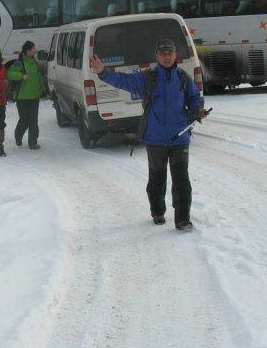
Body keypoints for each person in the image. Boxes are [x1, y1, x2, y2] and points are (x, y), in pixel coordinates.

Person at [89, 38, 207, 230]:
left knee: (182, 180)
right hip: (155, 138)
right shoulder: (148, 78)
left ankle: (182, 219)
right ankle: (158, 211)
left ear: (175, 55)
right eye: (163, 54)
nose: (167, 57)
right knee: (157, 179)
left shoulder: (183, 77)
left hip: (180, 138)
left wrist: (197, 110)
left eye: (170, 53)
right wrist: (102, 72)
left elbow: (194, 98)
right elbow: (123, 81)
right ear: (157, 57)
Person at [6, 40, 47, 150]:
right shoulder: (19, 62)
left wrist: (43, 89)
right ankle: (18, 135)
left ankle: (33, 142)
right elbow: (9, 73)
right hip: (22, 97)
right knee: (24, 119)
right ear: (28, 50)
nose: (35, 50)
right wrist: (21, 76)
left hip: (34, 96)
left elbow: (38, 77)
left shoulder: (34, 62)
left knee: (33, 120)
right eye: (33, 48)